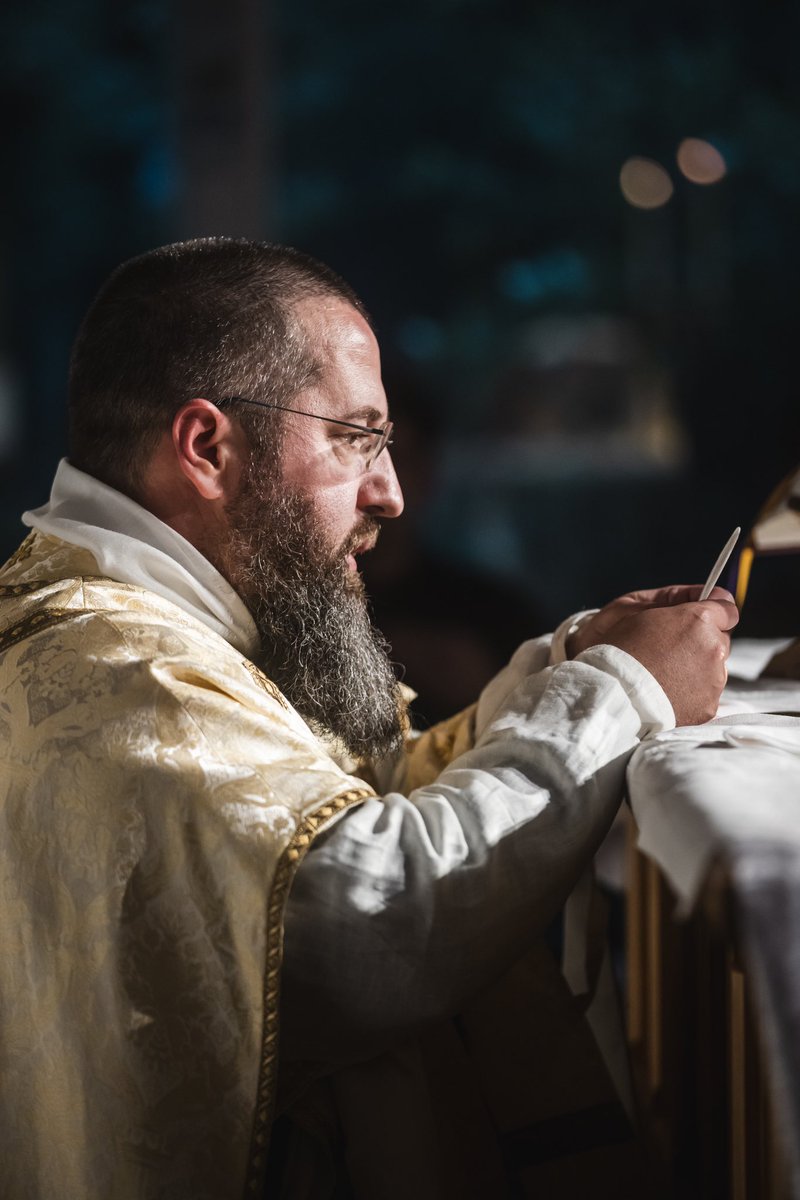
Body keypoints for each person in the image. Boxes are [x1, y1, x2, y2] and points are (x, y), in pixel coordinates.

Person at [0, 238, 737, 1200]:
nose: (388, 491)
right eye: (356, 437)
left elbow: (339, 816)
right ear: (207, 448)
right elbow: (363, 920)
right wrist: (620, 698)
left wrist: (570, 669)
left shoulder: (117, 618)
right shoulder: (120, 670)